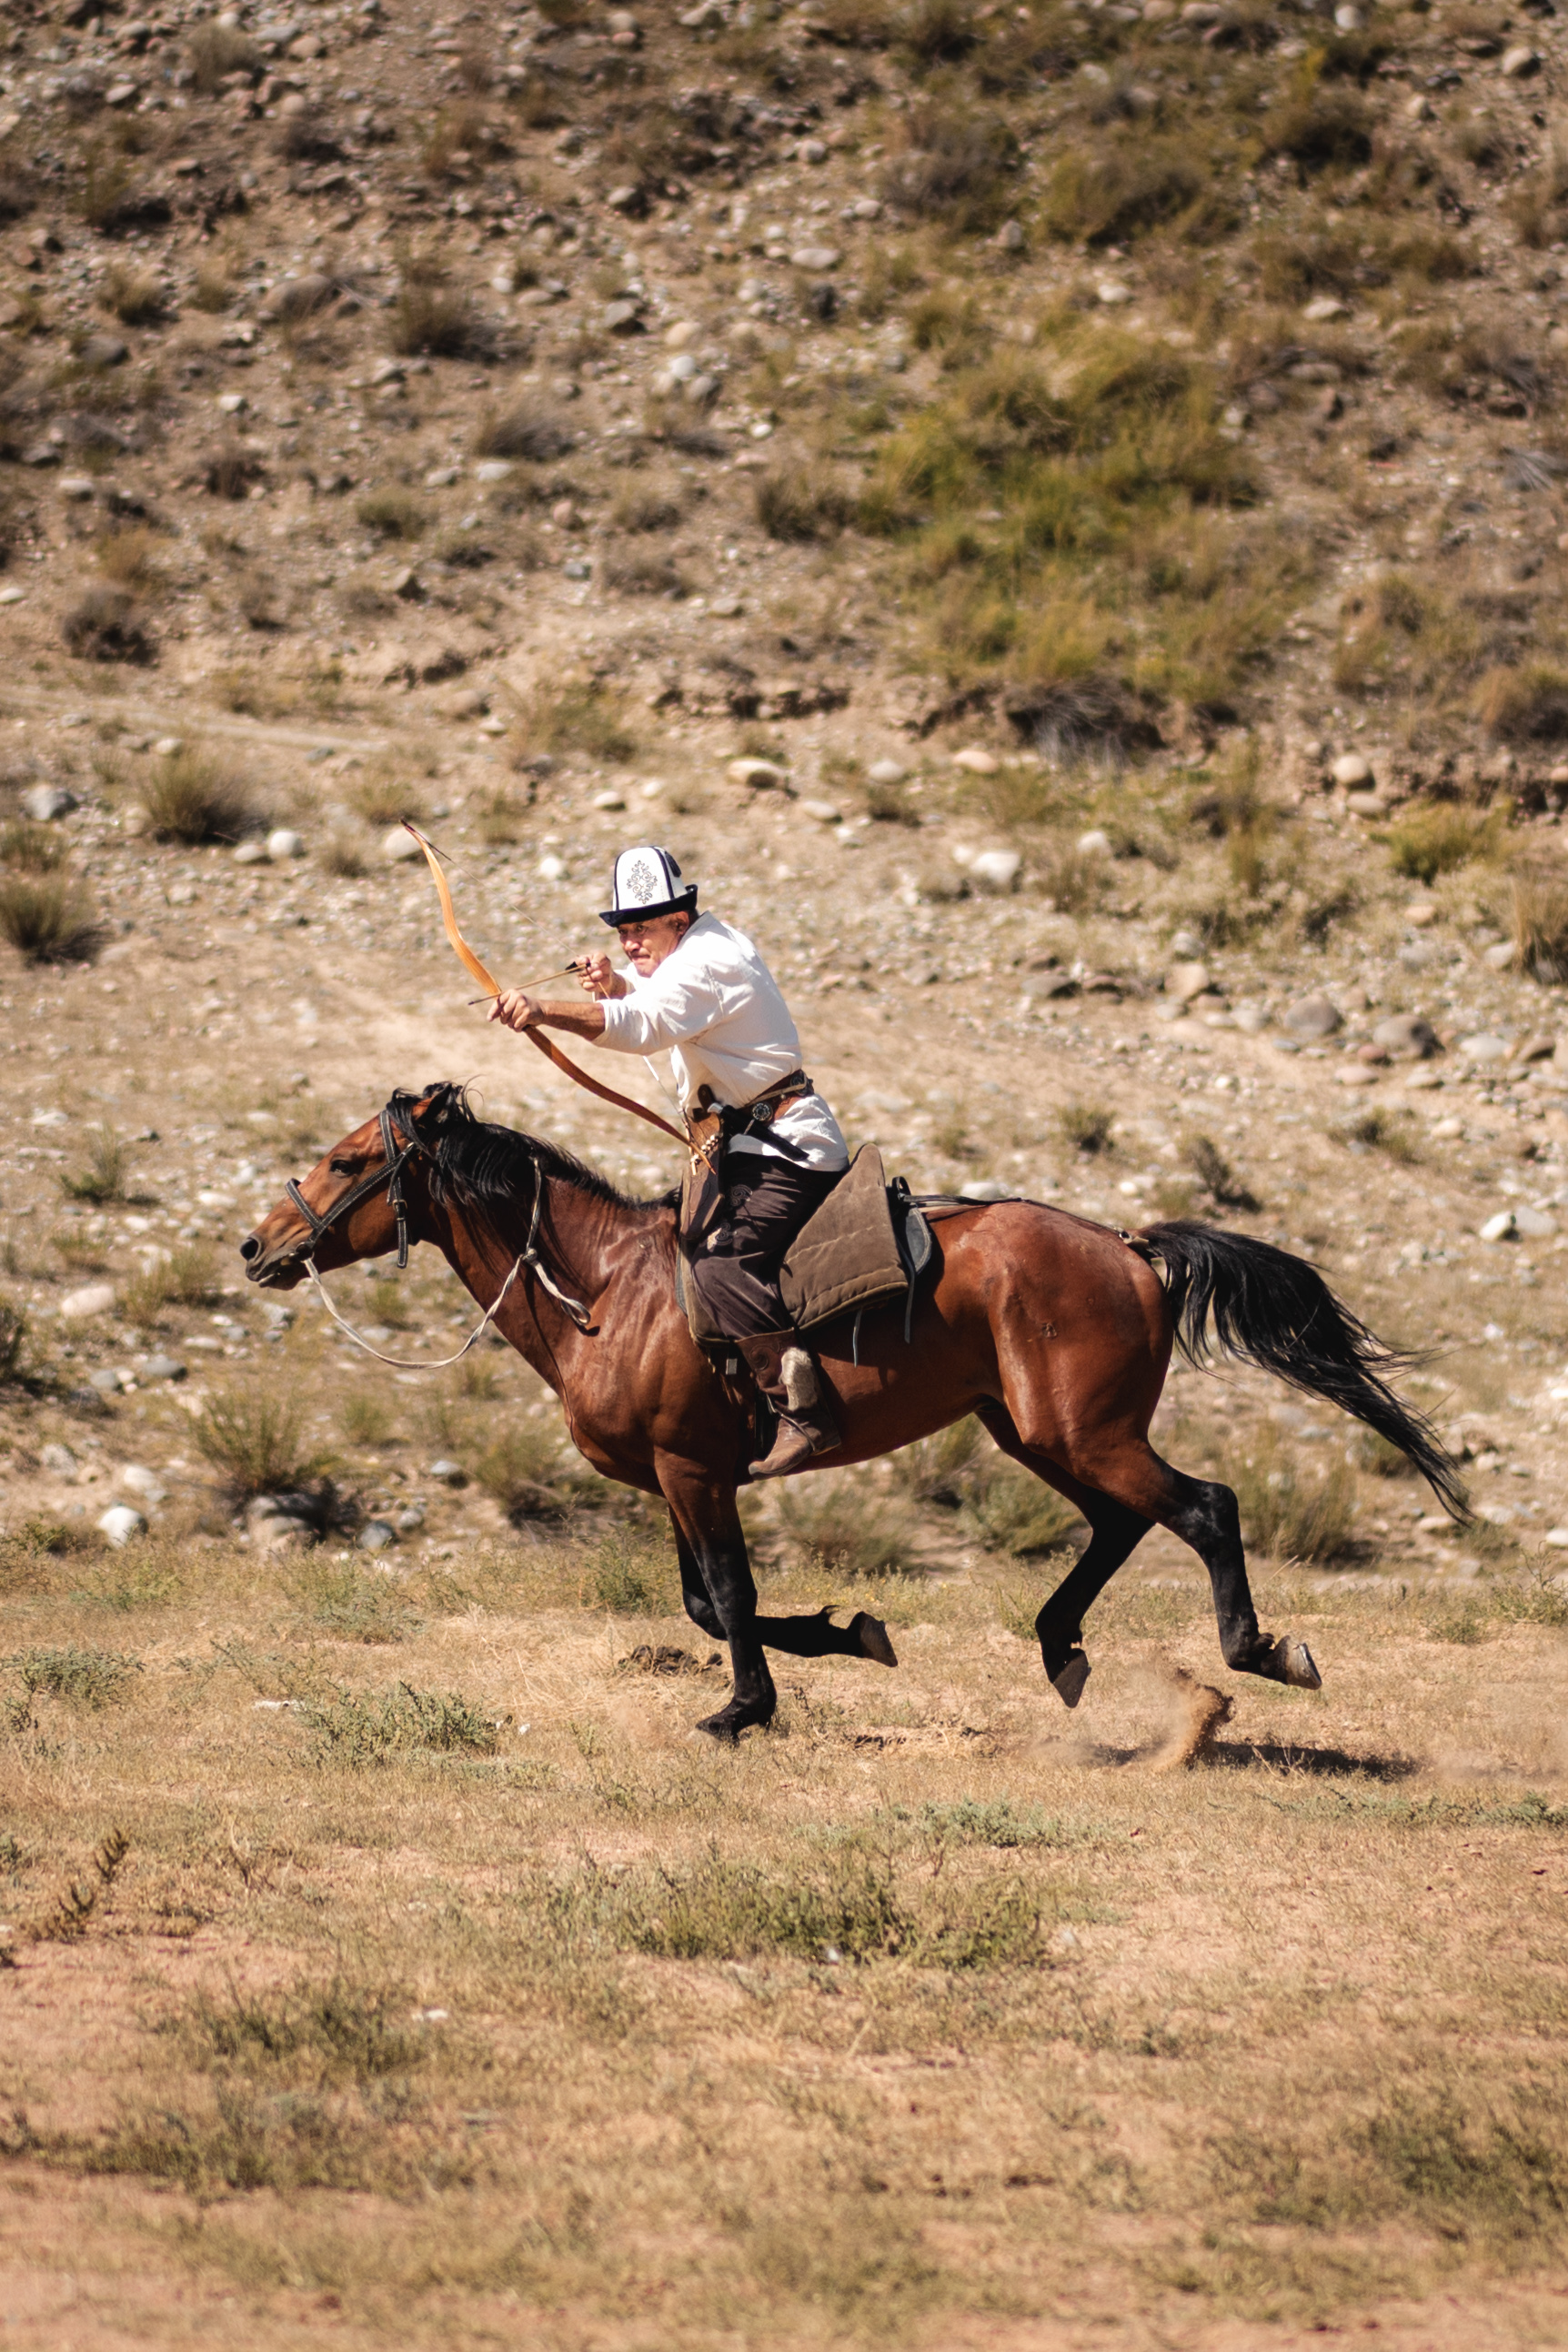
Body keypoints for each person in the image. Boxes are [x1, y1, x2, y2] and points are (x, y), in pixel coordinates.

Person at [489, 845, 849, 1478]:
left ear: (679, 922)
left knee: (718, 1265)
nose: (630, 942)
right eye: (624, 931)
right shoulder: (699, 950)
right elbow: (661, 1006)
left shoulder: (712, 960)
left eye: (642, 928)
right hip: (745, 1148)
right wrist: (619, 986)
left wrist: (545, 1009)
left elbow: (648, 1026)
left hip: (786, 1147)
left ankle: (802, 1411)